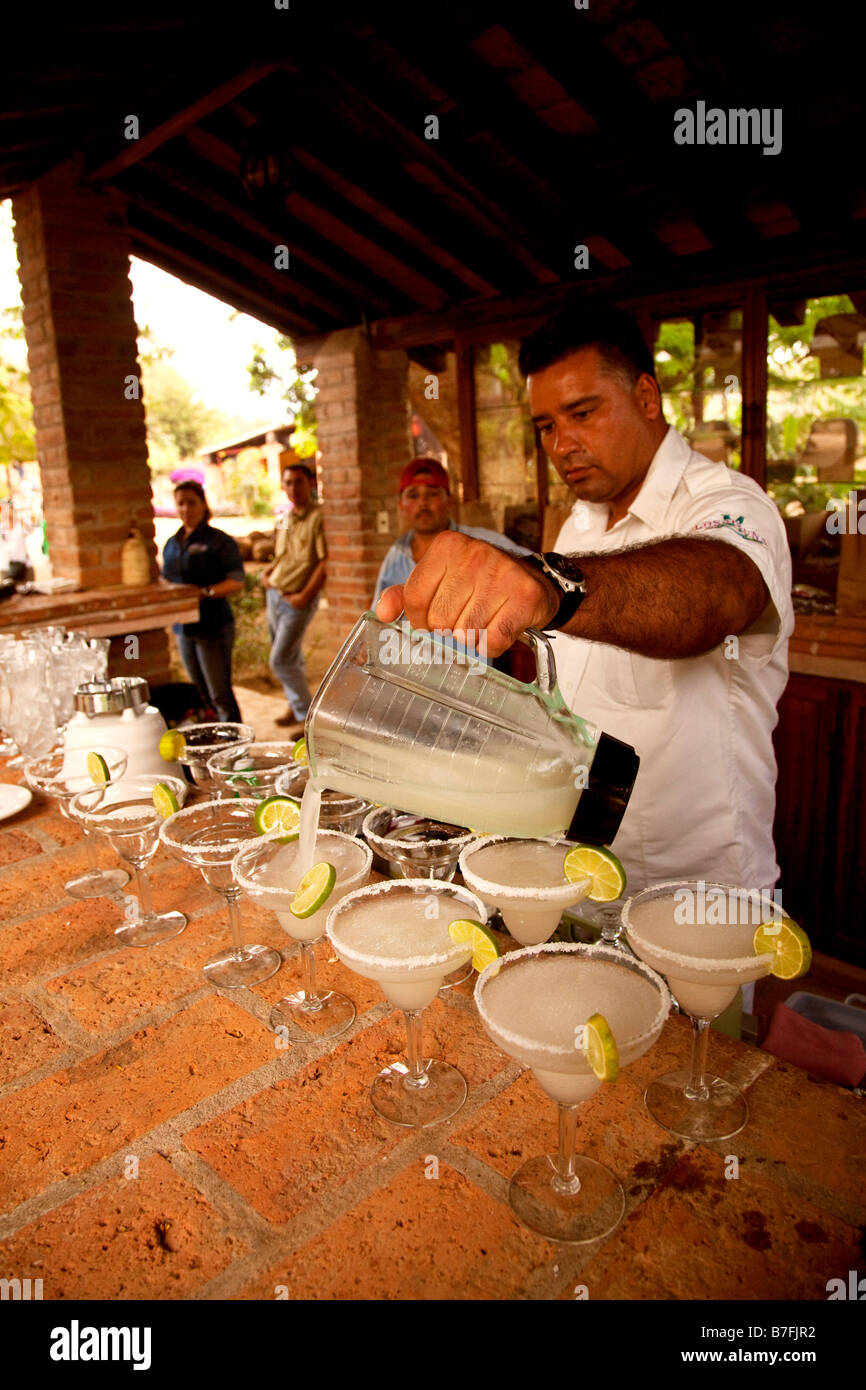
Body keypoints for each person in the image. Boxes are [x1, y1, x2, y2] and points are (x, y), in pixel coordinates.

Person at [377, 305, 794, 896]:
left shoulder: (728, 502)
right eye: (545, 426)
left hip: (695, 891)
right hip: (581, 869)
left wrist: (551, 584)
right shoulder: (578, 525)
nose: (563, 444)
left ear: (647, 397)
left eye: (582, 413)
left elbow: (719, 593)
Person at [372, 457, 529, 610]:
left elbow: (538, 573)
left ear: (449, 501)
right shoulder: (396, 556)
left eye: (433, 493)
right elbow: (377, 618)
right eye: (413, 495)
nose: (423, 502)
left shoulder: (481, 543)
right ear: (401, 505)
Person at [162, 480, 246, 724]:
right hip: (184, 627)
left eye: (191, 502)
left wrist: (205, 592)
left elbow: (237, 581)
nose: (186, 509)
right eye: (180, 503)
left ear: (202, 505)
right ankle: (214, 742)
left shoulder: (219, 541)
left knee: (219, 692)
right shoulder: (171, 543)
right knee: (199, 692)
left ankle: (239, 748)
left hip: (214, 625)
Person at [261, 462, 326, 734]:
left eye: (298, 482)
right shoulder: (285, 518)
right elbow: (282, 556)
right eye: (287, 483)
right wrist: (268, 574)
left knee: (280, 660)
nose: (293, 488)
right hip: (274, 595)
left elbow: (324, 563)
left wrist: (303, 596)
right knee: (292, 656)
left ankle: (307, 717)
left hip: (296, 600)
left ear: (310, 483)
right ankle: (294, 704)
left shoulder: (318, 517)